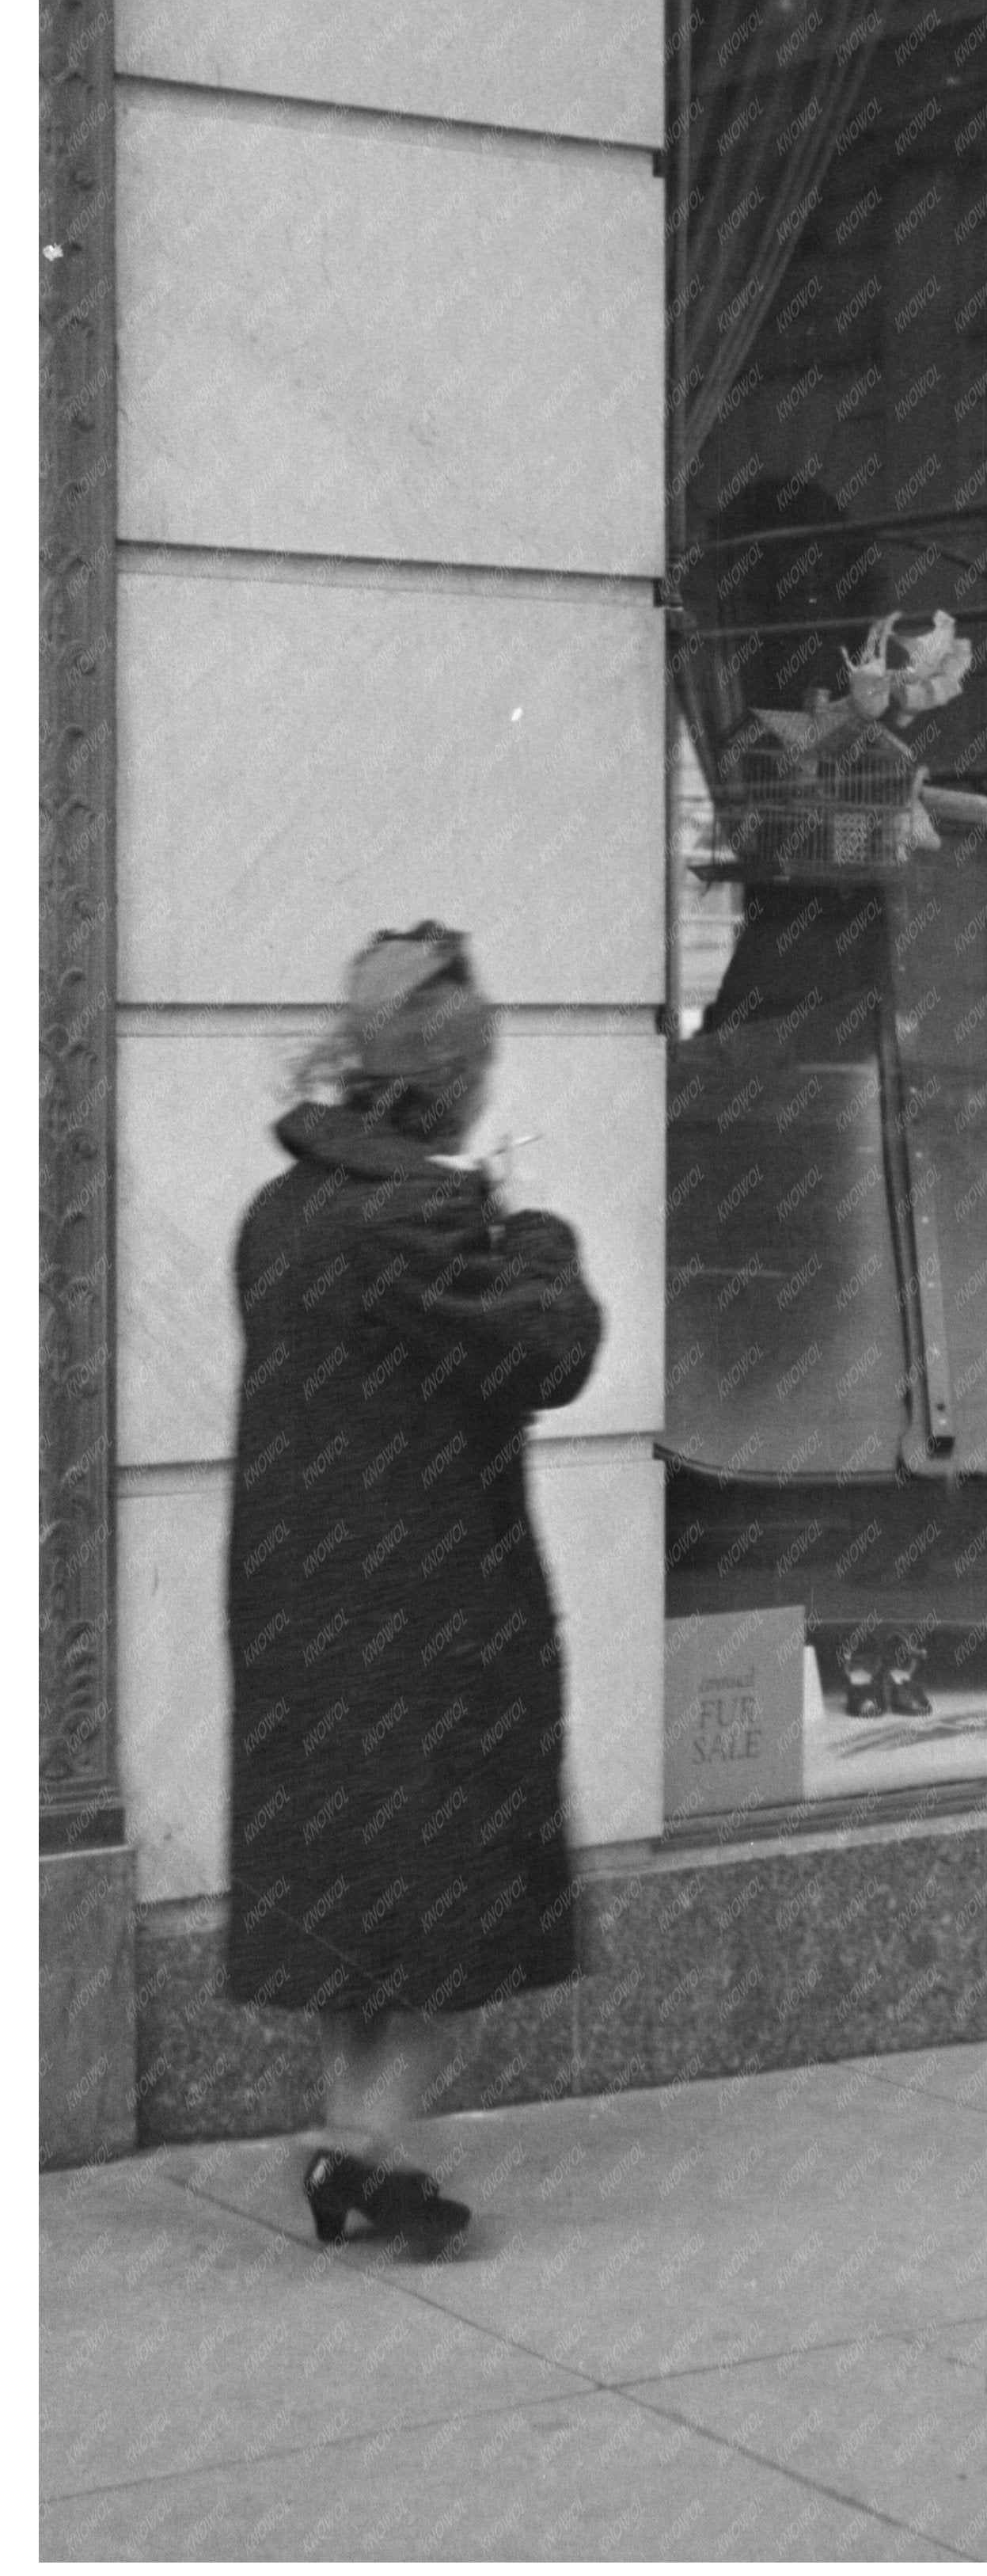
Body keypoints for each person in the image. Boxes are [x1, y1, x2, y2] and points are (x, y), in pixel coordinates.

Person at [224, 924, 602, 2252]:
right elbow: (549, 1352)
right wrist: (537, 1227)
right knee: (451, 1884)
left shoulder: (283, 1212)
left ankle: (349, 2128)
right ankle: (365, 2143)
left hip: (295, 1603)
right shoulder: (421, 1218)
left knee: (348, 1887)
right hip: (432, 1612)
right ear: (457, 1079)